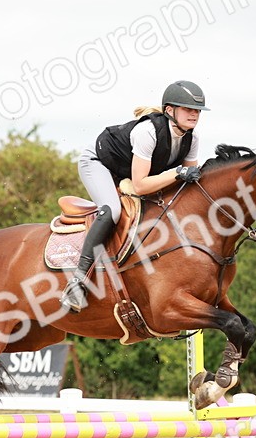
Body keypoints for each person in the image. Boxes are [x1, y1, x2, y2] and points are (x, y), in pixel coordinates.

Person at [59, 80, 208, 312]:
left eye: (197, 110)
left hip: (129, 172)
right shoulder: (148, 132)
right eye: (188, 109)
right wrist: (177, 173)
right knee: (112, 211)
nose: (194, 114)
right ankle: (78, 282)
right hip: (99, 163)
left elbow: (188, 183)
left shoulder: (192, 138)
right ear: (170, 110)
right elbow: (140, 186)